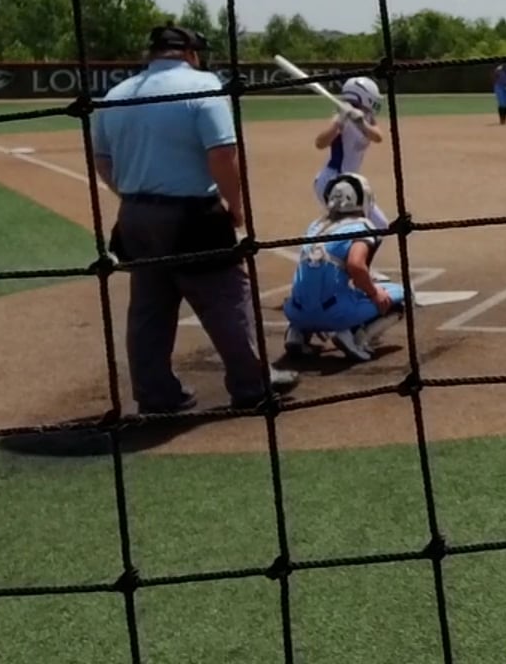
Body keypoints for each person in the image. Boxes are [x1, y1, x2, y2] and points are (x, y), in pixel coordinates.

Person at [90, 25, 298, 414]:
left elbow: (102, 161)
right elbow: (222, 154)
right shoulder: (204, 86)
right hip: (192, 216)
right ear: (190, 53)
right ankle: (252, 384)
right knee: (227, 296)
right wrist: (236, 206)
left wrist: (137, 199)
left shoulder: (114, 95)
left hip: (134, 216)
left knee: (150, 306)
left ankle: (155, 394)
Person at [281, 172, 411, 363]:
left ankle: (297, 333)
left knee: (318, 287)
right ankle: (355, 337)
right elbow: (356, 266)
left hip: (295, 312)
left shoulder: (315, 227)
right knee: (402, 295)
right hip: (335, 315)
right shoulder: (361, 227)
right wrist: (374, 293)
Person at [313, 76, 389, 230]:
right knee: (350, 227)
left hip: (351, 182)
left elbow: (378, 137)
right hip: (333, 181)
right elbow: (320, 143)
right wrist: (339, 122)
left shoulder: (367, 117)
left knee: (380, 225)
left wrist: (361, 123)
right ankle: (318, 240)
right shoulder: (340, 116)